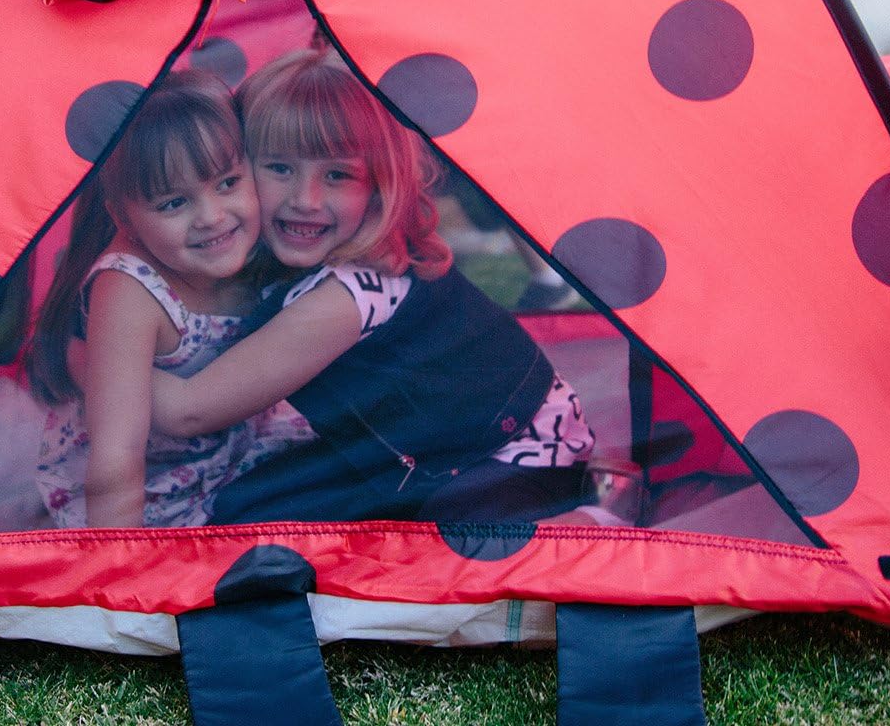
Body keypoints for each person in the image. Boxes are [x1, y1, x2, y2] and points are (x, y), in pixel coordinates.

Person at [144, 50, 603, 524]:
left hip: (516, 463)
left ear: (379, 187)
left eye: (337, 175)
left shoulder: (343, 299)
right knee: (246, 507)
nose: (306, 199)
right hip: (423, 449)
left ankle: (585, 520)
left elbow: (189, 412)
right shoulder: (298, 267)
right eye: (279, 168)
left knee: (441, 559)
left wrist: (93, 361)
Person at [27, 70, 277, 528]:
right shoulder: (131, 288)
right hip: (154, 489)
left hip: (239, 457)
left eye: (227, 183)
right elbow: (116, 457)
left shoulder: (269, 241)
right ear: (124, 217)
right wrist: (116, 571)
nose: (212, 217)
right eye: (172, 204)